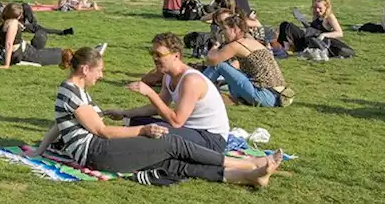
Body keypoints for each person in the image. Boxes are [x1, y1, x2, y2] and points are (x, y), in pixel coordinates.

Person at [33, 47, 281, 187]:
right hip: (97, 153)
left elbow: (60, 122)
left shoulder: (75, 91)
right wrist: (144, 131)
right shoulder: (71, 91)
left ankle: (248, 177)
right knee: (169, 142)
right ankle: (247, 164)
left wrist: (40, 150)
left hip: (100, 151)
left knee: (173, 163)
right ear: (85, 69)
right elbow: (103, 132)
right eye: (99, 71)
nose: (101, 76)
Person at [105, 33, 230, 151]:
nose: (154, 58)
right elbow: (158, 107)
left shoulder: (191, 80)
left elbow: (176, 122)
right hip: (189, 130)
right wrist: (124, 113)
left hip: (211, 139)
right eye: (153, 54)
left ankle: (117, 149)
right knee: (135, 122)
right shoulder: (168, 76)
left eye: (159, 55)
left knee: (154, 132)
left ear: (176, 55)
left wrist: (150, 93)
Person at [203, 14, 292, 107]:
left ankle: (197, 89)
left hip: (264, 95)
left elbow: (211, 60)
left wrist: (216, 44)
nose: (222, 33)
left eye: (224, 29)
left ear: (235, 30)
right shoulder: (250, 41)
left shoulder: (237, 45)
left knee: (219, 65)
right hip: (278, 96)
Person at [0, 3, 70, 67]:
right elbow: (9, 44)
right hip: (22, 54)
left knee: (42, 37)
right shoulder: (13, 23)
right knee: (56, 54)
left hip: (21, 51)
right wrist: (6, 65)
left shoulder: (2, 22)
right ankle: (66, 55)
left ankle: (62, 53)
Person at [279, 0, 352, 59]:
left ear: (326, 7)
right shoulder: (316, 15)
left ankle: (287, 49)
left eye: (320, 8)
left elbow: (339, 33)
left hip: (320, 44)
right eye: (315, 7)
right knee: (284, 25)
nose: (317, 10)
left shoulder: (329, 17)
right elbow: (313, 29)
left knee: (288, 26)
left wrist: (324, 35)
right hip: (309, 39)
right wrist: (304, 22)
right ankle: (284, 48)